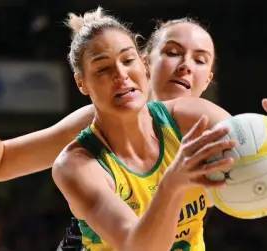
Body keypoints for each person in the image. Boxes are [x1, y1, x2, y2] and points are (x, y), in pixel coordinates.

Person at [0, 7, 267, 251]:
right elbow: (0, 162)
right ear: (148, 60)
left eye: (199, 60)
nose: (185, 66)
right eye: (173, 52)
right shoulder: (85, 142)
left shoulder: (196, 117)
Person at [52, 8, 235, 251]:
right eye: (103, 69)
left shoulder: (192, 115)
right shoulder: (76, 162)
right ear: (81, 82)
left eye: (128, 60)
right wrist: (171, 185)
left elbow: (257, 146)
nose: (121, 75)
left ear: (143, 64)